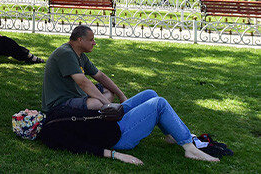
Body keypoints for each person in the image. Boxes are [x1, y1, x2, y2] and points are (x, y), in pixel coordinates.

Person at [36, 89, 219, 164]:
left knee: (150, 94)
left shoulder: (52, 113)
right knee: (159, 104)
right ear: (29, 124)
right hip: (119, 135)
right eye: (25, 115)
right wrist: (117, 155)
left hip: (110, 118)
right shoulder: (51, 134)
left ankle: (172, 134)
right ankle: (189, 148)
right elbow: (81, 147)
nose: (27, 110)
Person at [42, 25, 127, 113]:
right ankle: (103, 109)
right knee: (96, 103)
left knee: (109, 90)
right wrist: (108, 104)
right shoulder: (65, 53)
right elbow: (82, 82)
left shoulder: (80, 55)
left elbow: (100, 76)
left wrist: (121, 95)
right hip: (59, 103)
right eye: (91, 40)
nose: (94, 43)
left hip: (77, 96)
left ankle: (101, 108)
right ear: (80, 40)